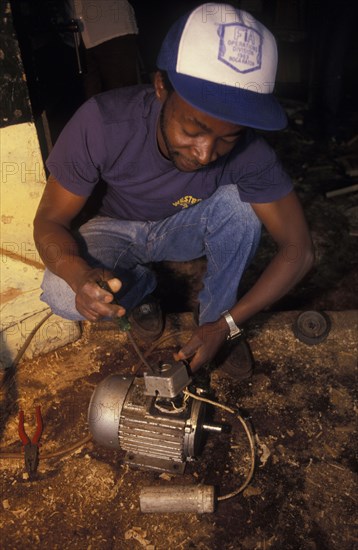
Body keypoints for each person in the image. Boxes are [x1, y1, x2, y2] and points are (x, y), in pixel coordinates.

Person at [33, 3, 314, 376]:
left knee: (241, 206)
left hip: (184, 226)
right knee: (61, 291)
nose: (205, 154)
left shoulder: (250, 153)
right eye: (193, 130)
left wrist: (228, 324)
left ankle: (212, 322)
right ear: (161, 86)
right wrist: (81, 276)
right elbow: (49, 221)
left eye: (228, 138)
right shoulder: (103, 121)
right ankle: (139, 289)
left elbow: (300, 251)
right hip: (116, 227)